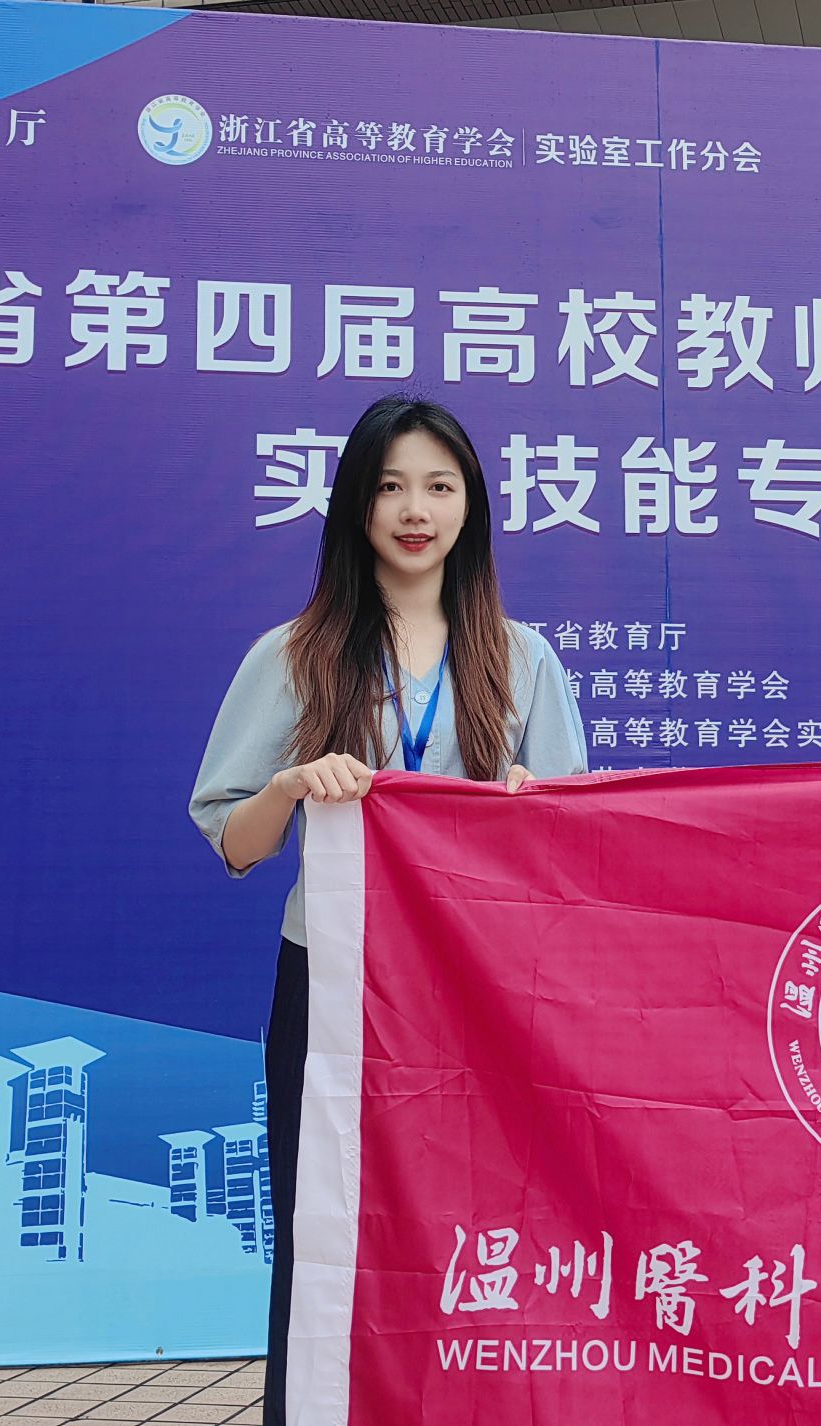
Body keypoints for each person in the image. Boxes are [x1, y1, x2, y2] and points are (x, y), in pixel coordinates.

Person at [188, 394, 587, 1425]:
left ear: (471, 506)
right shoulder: (293, 655)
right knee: (324, 1226)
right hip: (333, 984)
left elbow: (572, 842)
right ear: (354, 506)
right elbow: (234, 842)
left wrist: (529, 805)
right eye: (391, 487)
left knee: (479, 1224)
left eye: (439, 487)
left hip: (478, 993)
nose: (416, 510)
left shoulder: (524, 659)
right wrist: (290, 785)